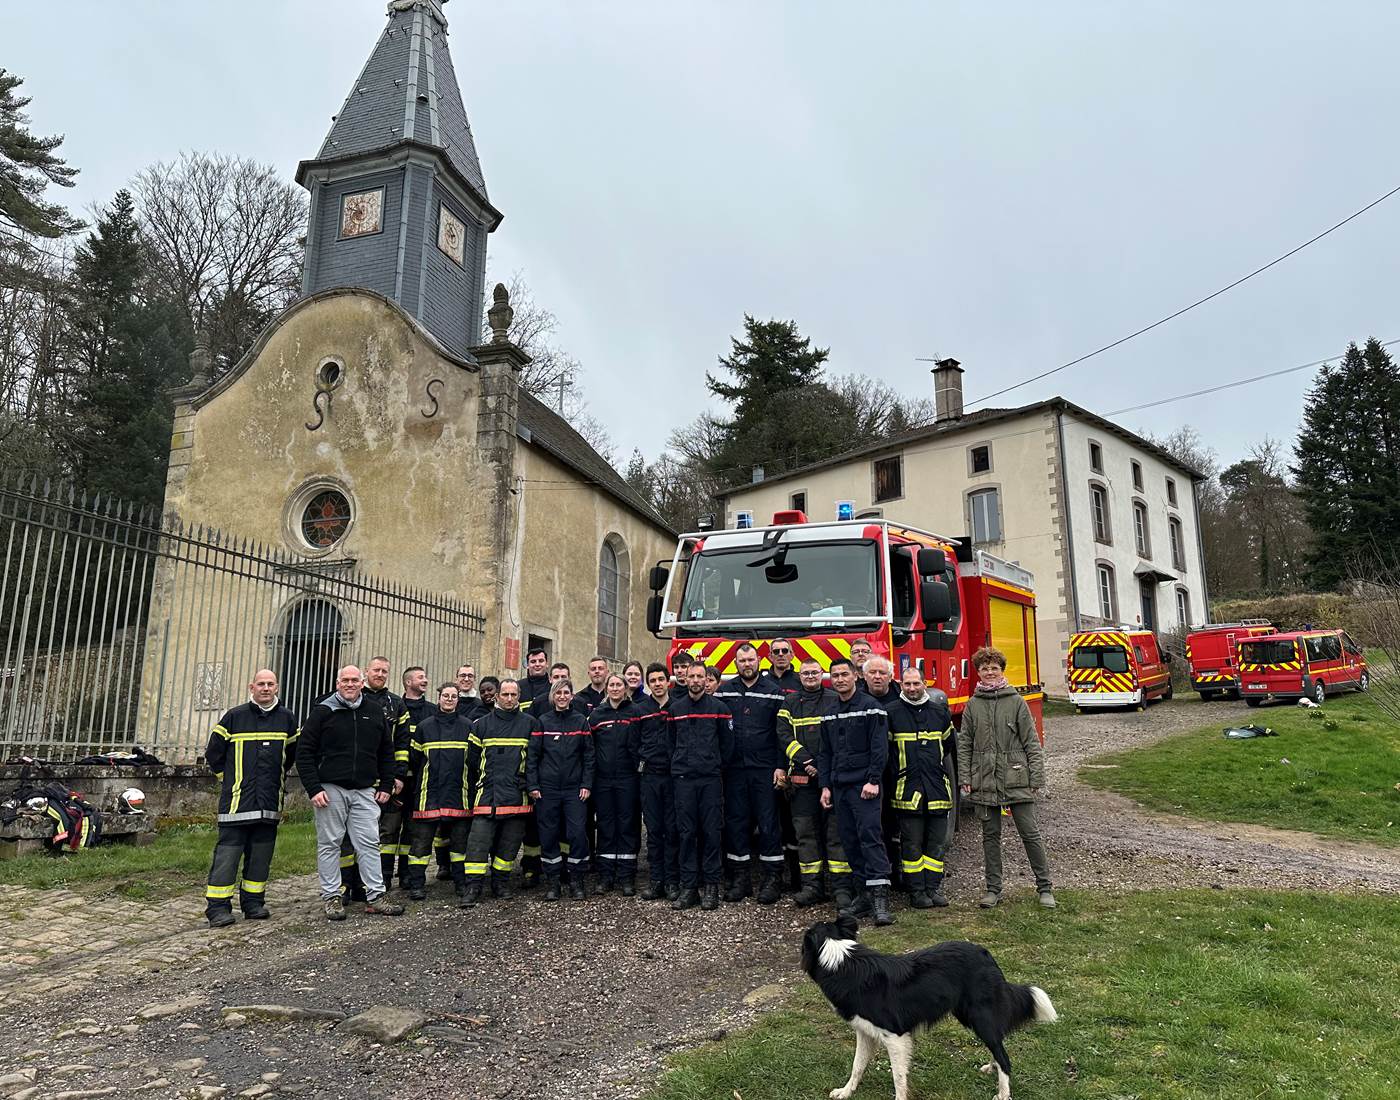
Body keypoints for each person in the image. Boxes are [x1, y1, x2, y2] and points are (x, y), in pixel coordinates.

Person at [297, 666, 405, 920]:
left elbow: (386, 752)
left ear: (362, 683)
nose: (349, 684)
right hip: (330, 789)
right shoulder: (323, 711)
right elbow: (304, 753)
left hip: (364, 790)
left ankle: (376, 895)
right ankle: (332, 897)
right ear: (337, 683)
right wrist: (314, 788)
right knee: (330, 843)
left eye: (354, 680)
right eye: (344, 680)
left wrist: (386, 784)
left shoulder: (374, 711)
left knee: (369, 843)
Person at [957, 646, 1054, 909]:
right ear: (978, 672)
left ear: (1002, 670)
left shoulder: (1016, 702)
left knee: (1030, 833)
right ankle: (993, 889)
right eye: (984, 668)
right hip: (984, 779)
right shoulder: (973, 705)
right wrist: (965, 776)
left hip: (1016, 778)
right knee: (990, 836)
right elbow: (964, 744)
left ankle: (1045, 888)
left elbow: (1031, 743)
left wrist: (1036, 778)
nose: (989, 672)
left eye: (994, 668)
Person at [202, 669, 299, 928]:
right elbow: (213, 755)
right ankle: (218, 908)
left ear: (277, 687)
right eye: (260, 684)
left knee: (260, 857)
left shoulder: (287, 719)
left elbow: (291, 756)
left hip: (268, 804)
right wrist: (231, 780)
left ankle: (253, 903)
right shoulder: (235, 717)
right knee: (227, 857)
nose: (265, 688)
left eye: (270, 684)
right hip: (236, 804)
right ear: (251, 687)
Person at [818, 657, 894, 926]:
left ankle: (880, 900)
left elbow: (879, 748)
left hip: (865, 786)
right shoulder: (829, 710)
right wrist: (825, 785)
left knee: (870, 838)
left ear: (855, 677)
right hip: (840, 786)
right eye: (835, 676)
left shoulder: (871, 708)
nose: (839, 679)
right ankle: (862, 896)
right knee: (850, 840)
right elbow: (824, 752)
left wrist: (873, 780)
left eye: (844, 675)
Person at [714, 642, 787, 904]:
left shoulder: (774, 693)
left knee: (768, 823)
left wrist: (781, 766)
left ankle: (772, 878)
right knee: (736, 823)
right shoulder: (724, 693)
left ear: (759, 661)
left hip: (764, 769)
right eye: (742, 661)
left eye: (751, 660)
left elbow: (782, 734)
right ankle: (740, 878)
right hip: (734, 770)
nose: (747, 664)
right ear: (735, 663)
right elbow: (719, 732)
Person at [776, 661, 849, 909]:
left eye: (814, 672)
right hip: (801, 779)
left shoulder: (834, 699)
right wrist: (806, 760)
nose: (810, 676)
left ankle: (841, 888)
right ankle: (812, 887)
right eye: (805, 673)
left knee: (836, 834)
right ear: (800, 676)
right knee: (806, 834)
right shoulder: (790, 703)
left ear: (821, 675)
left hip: (831, 778)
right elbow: (784, 736)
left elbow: (841, 736)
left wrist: (822, 765)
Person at [462, 679, 538, 905]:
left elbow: (535, 759)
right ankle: (473, 887)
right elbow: (472, 761)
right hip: (487, 795)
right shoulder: (481, 725)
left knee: (509, 845)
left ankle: (500, 883)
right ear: (497, 696)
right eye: (504, 694)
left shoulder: (530, 724)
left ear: (519, 696)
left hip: (517, 796)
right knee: (477, 844)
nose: (509, 699)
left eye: (513, 695)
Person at [667, 661, 734, 911]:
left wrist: (714, 766)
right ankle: (689, 888)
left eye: (700, 676)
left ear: (707, 680)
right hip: (684, 780)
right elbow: (670, 743)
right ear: (685, 679)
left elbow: (728, 746)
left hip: (710, 780)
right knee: (686, 834)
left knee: (711, 833)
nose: (695, 680)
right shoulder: (676, 709)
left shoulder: (720, 709)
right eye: (691, 676)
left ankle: (711, 887)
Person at [886, 666, 953, 909]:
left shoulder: (939, 713)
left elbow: (948, 746)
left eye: (916, 683)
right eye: (907, 684)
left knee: (936, 843)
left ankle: (932, 888)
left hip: (936, 789)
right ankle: (916, 892)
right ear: (901, 685)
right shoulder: (891, 712)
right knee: (912, 844)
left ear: (925, 683)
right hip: (907, 790)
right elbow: (888, 752)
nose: (912, 688)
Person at [403, 683, 475, 903]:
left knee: (460, 845)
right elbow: (415, 760)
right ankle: (416, 885)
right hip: (428, 794)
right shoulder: (425, 727)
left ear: (458, 700)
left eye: (454, 696)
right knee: (421, 844)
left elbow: (473, 761)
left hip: (459, 794)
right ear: (439, 698)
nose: (449, 699)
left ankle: (461, 884)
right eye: (446, 696)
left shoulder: (468, 726)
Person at [527, 680, 594, 900]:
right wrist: (534, 785)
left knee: (576, 834)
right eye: (559, 693)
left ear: (572, 696)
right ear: (552, 696)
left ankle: (576, 881)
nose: (562, 696)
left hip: (575, 790)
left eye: (566, 693)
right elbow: (533, 757)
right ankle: (553, 882)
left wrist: (586, 784)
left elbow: (588, 757)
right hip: (548, 790)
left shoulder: (581, 722)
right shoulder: (543, 722)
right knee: (548, 835)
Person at [589, 673, 641, 894]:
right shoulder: (597, 716)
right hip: (603, 780)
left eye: (619, 684)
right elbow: (589, 748)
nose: (615, 688)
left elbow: (641, 742)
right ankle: (606, 875)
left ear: (625, 687)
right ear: (607, 689)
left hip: (628, 778)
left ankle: (626, 876)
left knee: (627, 824)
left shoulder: (635, 713)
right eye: (612, 684)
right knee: (606, 824)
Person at [635, 662, 678, 900]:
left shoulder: (678, 707)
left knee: (672, 830)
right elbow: (633, 743)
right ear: (648, 684)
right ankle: (656, 880)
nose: (658, 684)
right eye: (653, 681)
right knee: (653, 830)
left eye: (661, 679)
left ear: (668, 681)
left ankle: (672, 881)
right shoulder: (641, 709)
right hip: (650, 777)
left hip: (673, 778)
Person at [399, 665, 442, 886]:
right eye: (420, 677)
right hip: (397, 779)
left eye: (426, 676)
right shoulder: (397, 707)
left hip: (420, 779)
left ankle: (407, 873)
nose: (425, 680)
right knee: (387, 829)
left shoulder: (433, 710)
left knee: (413, 827)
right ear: (408, 682)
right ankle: (384, 875)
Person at [518, 648, 552, 712]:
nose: (537, 664)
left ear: (547, 664)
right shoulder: (518, 686)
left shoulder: (553, 686)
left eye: (541, 661)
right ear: (527, 665)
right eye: (533, 661)